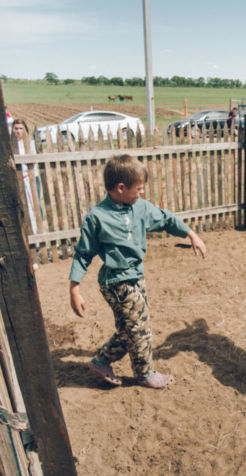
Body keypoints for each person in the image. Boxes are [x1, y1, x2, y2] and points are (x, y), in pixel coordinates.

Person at [69, 154, 207, 389]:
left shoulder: (140, 207)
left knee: (129, 328)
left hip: (136, 277)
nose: (142, 193)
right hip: (116, 281)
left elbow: (165, 219)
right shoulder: (97, 217)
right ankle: (145, 374)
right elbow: (83, 253)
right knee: (140, 329)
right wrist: (74, 289)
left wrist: (190, 234)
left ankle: (102, 360)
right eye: (139, 189)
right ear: (121, 188)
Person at [11, 119, 40, 235]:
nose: (18, 131)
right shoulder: (11, 145)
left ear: (25, 130)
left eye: (20, 128)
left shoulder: (30, 144)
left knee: (35, 207)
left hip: (31, 179)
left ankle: (37, 233)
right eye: (16, 128)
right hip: (17, 180)